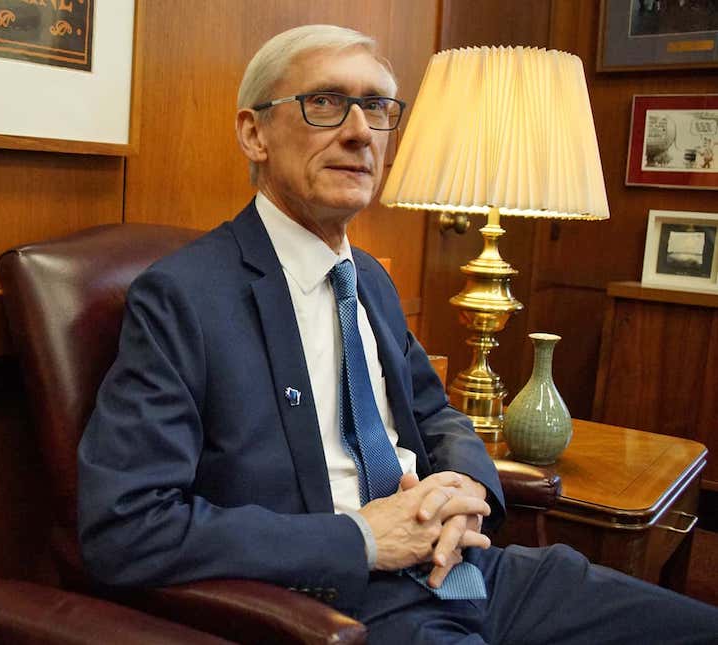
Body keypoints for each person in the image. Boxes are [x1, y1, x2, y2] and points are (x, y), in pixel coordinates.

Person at [77, 24, 718, 643]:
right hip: (340, 604)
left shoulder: (369, 280)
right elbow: (127, 527)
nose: (361, 133)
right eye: (325, 102)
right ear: (254, 132)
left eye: (378, 108)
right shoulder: (184, 297)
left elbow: (437, 414)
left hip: (470, 570)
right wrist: (361, 538)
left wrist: (466, 490)